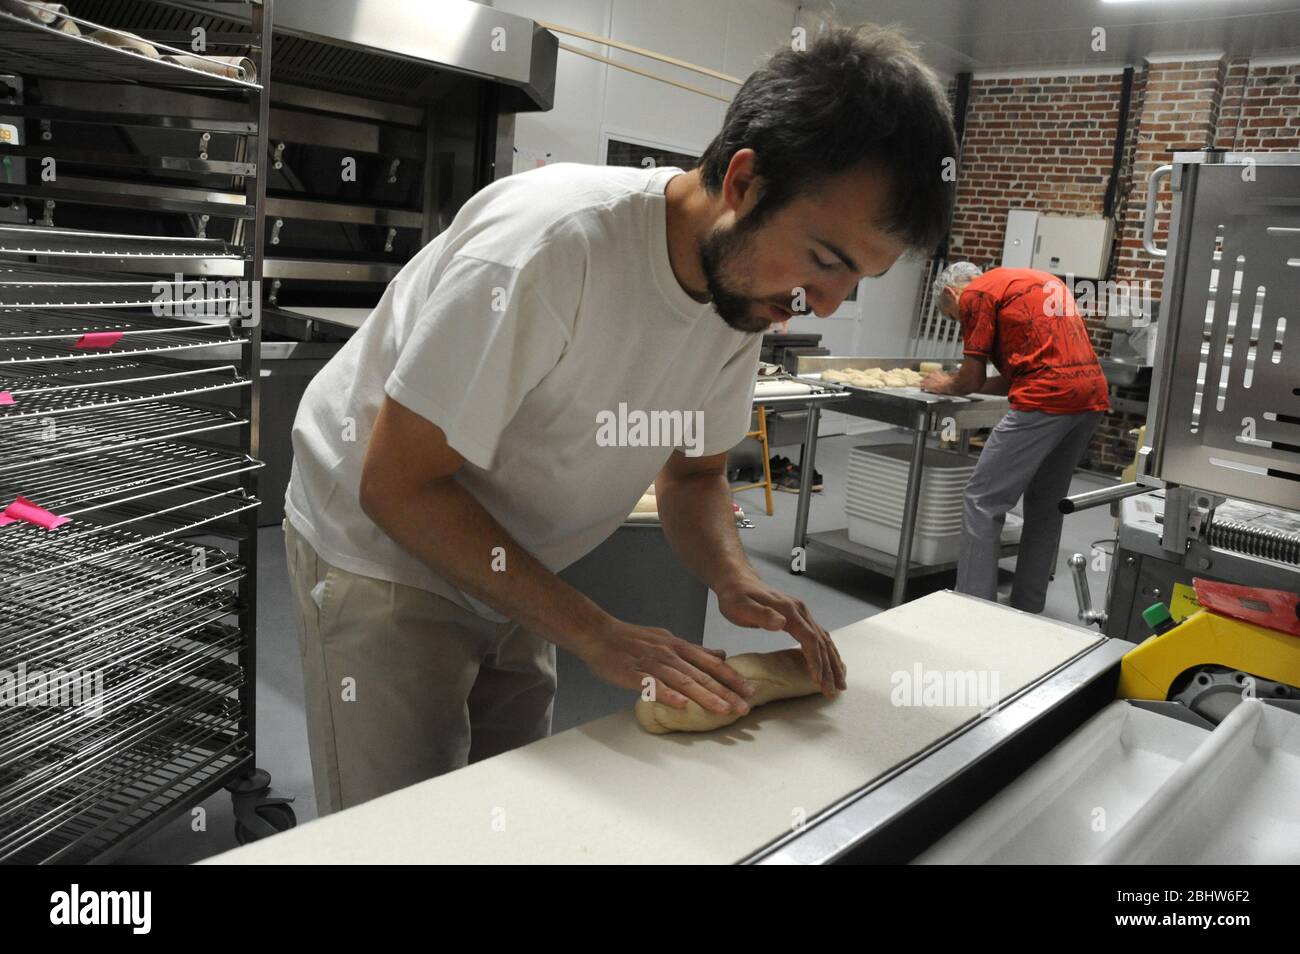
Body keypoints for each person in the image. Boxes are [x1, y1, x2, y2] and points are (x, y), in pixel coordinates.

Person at [284, 25, 957, 813]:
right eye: (826, 260)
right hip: (381, 550)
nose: (828, 304)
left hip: (516, 554)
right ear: (744, 181)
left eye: (859, 280)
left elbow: (695, 473)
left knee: (506, 805)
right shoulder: (547, 252)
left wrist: (734, 578)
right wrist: (601, 634)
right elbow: (398, 486)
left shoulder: (738, 294)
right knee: (400, 827)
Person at [921, 263, 1109, 613]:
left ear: (951, 294)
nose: (962, 324)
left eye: (955, 318)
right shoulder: (1030, 281)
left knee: (983, 499)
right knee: (1045, 503)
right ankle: (1027, 603)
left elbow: (968, 380)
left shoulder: (976, 295)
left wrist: (943, 384)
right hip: (1090, 396)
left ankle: (974, 608)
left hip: (1048, 398)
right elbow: (1010, 378)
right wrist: (967, 386)